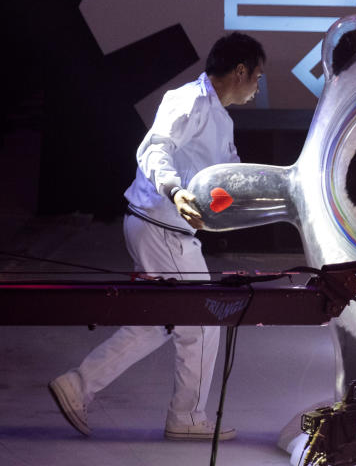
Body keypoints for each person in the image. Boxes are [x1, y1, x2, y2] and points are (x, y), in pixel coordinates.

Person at [48, 32, 266, 440]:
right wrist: (175, 190)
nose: (257, 86)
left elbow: (230, 175)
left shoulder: (219, 115)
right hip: (162, 228)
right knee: (202, 323)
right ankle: (186, 418)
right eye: (257, 76)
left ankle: (78, 385)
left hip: (158, 227)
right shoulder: (189, 101)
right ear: (240, 71)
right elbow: (155, 148)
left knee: (159, 322)